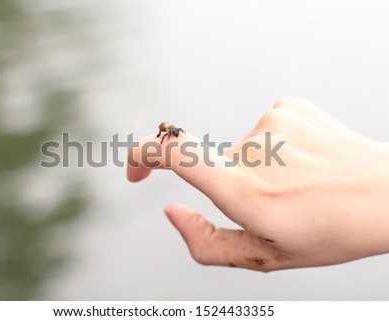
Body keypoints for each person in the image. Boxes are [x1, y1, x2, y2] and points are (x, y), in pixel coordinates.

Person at [127, 97, 389, 271]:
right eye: (172, 134)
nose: (173, 135)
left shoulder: (174, 132)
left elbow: (172, 133)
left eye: (174, 134)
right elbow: (166, 133)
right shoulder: (167, 132)